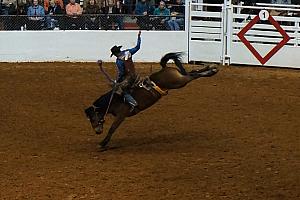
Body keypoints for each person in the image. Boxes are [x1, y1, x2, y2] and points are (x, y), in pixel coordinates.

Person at [110, 30, 142, 111]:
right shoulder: (128, 52)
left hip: (129, 78)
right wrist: (139, 37)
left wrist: (117, 81)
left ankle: (133, 103)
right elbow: (137, 47)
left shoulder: (119, 61)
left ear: (115, 54)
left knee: (122, 90)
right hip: (135, 74)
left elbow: (121, 73)